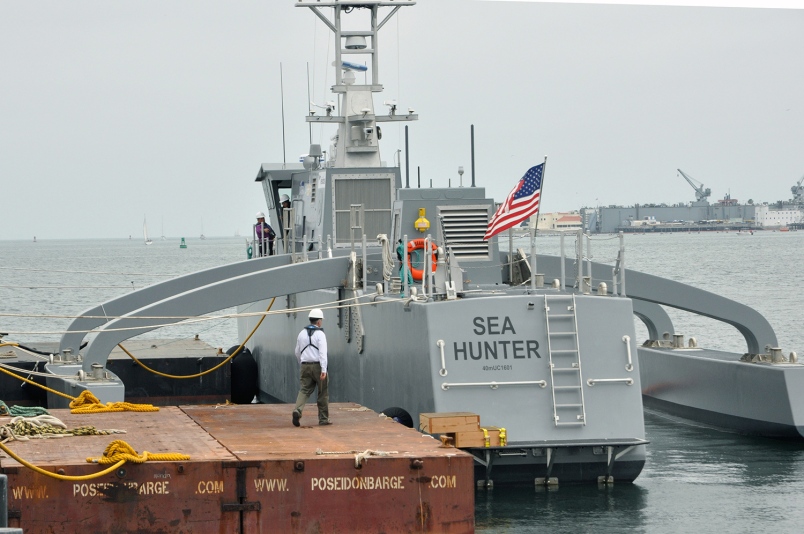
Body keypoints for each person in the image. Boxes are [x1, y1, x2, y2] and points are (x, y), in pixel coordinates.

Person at [292, 308, 330, 426]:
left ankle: (297, 410)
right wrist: (324, 369)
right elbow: (323, 353)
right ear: (319, 322)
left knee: (304, 390)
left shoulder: (301, 333)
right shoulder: (320, 334)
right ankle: (323, 419)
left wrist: (301, 363)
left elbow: (297, 352)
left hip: (305, 365)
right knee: (322, 392)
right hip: (318, 366)